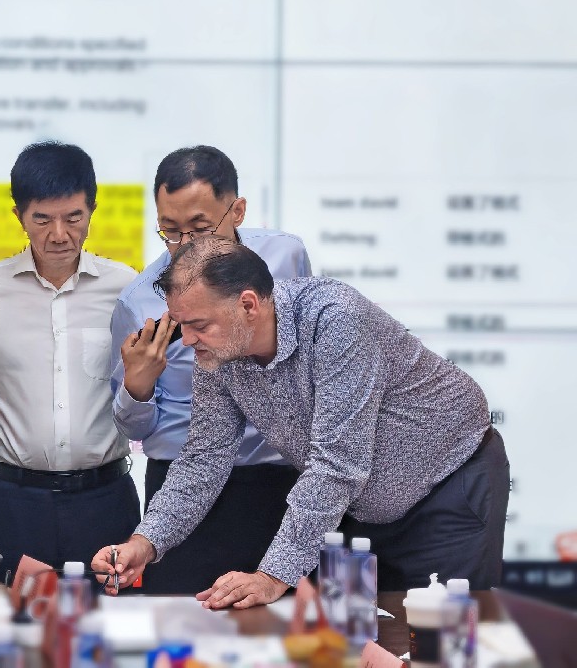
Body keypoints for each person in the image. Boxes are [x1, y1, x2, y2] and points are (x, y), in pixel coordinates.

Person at [94, 238, 509, 608]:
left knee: (442, 640)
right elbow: (204, 458)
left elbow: (337, 464)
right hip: (358, 507)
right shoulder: (217, 354)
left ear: (248, 305)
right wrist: (145, 542)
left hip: (445, 488)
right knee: (356, 639)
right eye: (181, 324)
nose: (187, 340)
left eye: (199, 325)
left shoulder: (334, 319)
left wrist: (272, 576)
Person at [110, 145, 310, 594]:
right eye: (169, 231)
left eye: (199, 229)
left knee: (289, 623)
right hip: (182, 485)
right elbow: (134, 426)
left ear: (236, 211)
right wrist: (137, 388)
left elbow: (304, 354)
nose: (185, 246)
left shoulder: (286, 257)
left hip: (280, 480)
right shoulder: (139, 301)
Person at [0, 142, 140, 580]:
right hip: (13, 501)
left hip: (106, 499)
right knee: (7, 618)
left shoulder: (125, 287)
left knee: (112, 617)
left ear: (92, 211)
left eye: (73, 218)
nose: (59, 234)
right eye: (42, 219)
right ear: (19, 216)